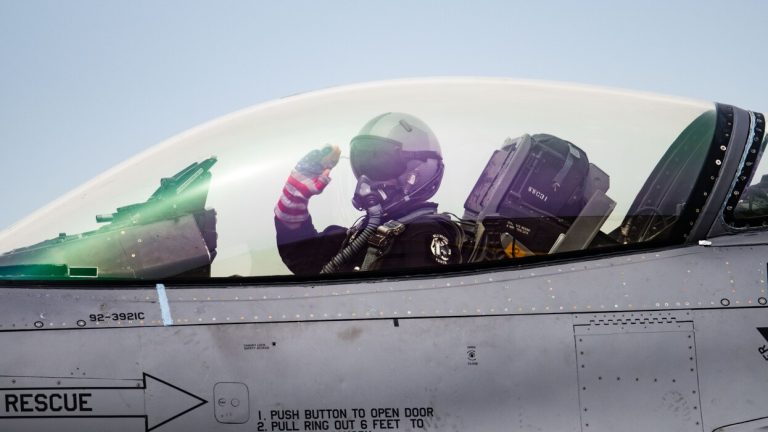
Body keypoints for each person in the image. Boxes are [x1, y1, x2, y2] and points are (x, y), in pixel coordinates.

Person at [274, 112, 461, 275]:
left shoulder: (425, 233)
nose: (367, 179)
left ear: (415, 175)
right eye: (364, 165)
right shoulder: (361, 234)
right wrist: (294, 200)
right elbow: (302, 259)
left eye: (381, 165)